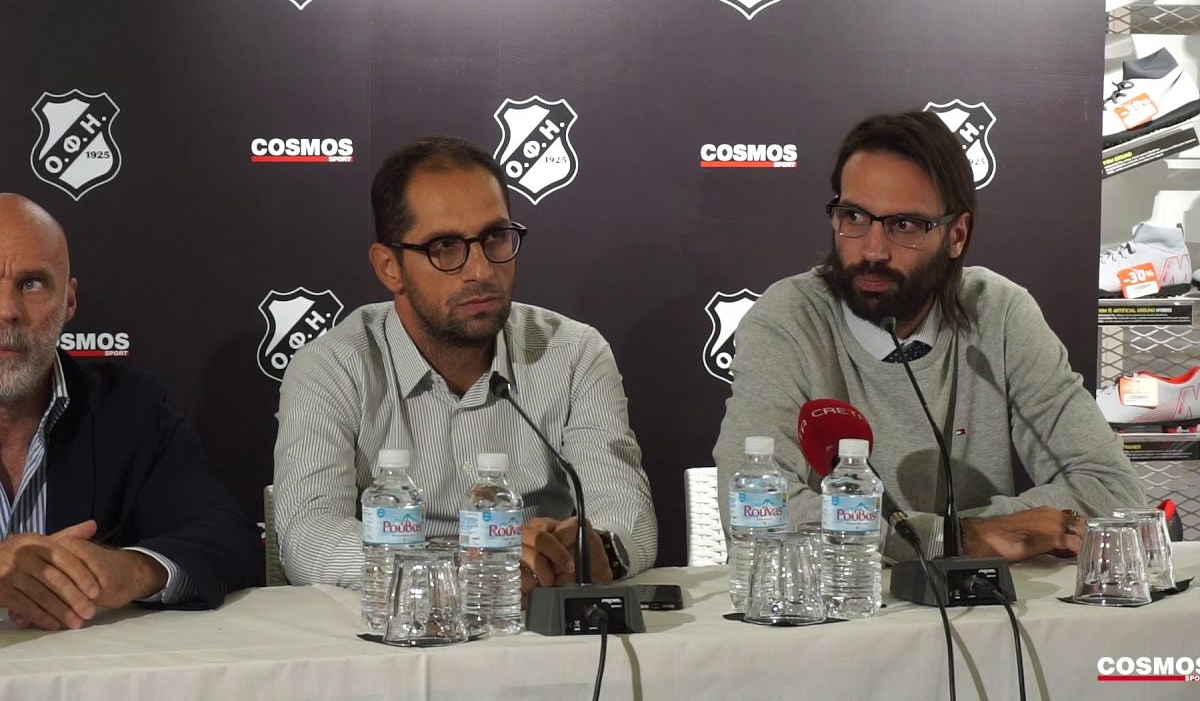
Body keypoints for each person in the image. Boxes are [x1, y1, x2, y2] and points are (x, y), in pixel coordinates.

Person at [714, 111, 1146, 563]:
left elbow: (1112, 490)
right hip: (842, 600)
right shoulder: (788, 318)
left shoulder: (998, 312)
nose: (872, 250)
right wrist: (962, 538)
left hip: (973, 604)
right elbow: (757, 508)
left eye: (905, 225)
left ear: (956, 235)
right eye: (854, 216)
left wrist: (955, 536)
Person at [274, 135, 656, 594]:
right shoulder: (333, 366)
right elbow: (308, 534)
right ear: (390, 266)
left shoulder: (574, 352)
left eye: (495, 237)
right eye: (445, 246)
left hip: (538, 613)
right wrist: (467, 568)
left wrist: (596, 550)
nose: (481, 270)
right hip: (402, 620)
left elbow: (627, 514)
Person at [0, 194, 263, 631]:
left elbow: (229, 537)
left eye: (31, 284)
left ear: (69, 301)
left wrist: (132, 570)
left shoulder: (129, 407)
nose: (7, 310)